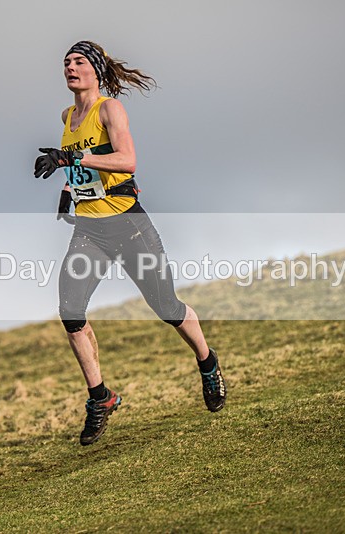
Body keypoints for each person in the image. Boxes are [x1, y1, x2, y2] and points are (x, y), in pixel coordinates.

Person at [33, 40, 226, 446]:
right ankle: (100, 398)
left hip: (129, 226)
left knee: (167, 308)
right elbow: (82, 172)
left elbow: (126, 161)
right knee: (70, 311)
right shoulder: (67, 116)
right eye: (66, 62)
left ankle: (207, 363)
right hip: (89, 231)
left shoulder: (110, 109)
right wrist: (67, 190)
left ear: (95, 70)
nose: (70, 66)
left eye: (79, 61)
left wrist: (73, 160)